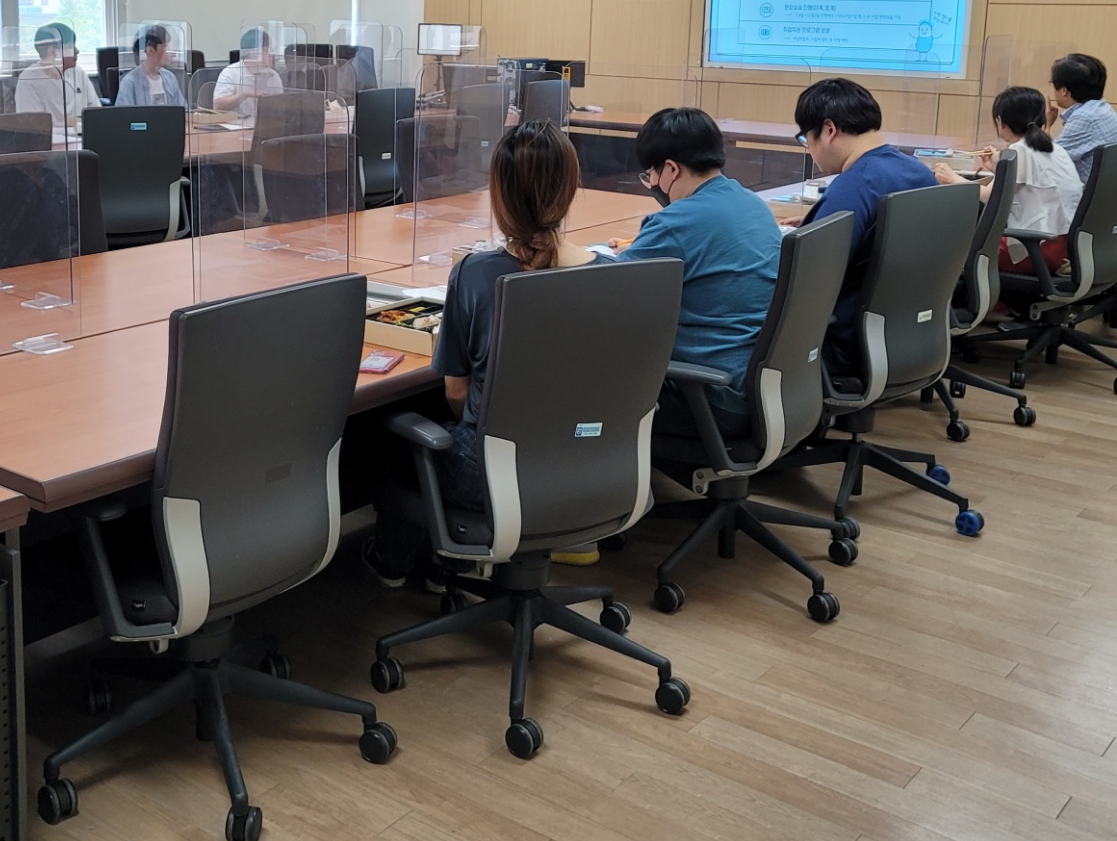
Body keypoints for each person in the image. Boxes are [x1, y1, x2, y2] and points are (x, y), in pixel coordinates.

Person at [363, 121, 596, 587]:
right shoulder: (612, 273)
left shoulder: (475, 273)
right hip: (588, 463)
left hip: (491, 472)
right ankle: (450, 566)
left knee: (393, 443)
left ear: (499, 196)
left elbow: (456, 391)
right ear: (571, 190)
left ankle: (399, 565)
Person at [616, 107, 781, 440]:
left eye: (650, 174)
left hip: (713, 400)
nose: (652, 184)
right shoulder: (751, 203)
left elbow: (603, 292)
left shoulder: (675, 223)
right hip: (766, 389)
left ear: (671, 169)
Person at [792, 77, 935, 375]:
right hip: (909, 335)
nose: (809, 149)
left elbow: (808, 277)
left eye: (807, 138)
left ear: (829, 130)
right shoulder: (917, 171)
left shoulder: (855, 186)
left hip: (843, 347)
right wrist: (817, 221)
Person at [935, 84, 1080, 274]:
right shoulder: (1052, 148)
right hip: (1061, 246)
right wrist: (999, 167)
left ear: (1000, 122)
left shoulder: (1019, 150)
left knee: (954, 255)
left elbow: (990, 197)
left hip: (1036, 250)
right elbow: (1030, 182)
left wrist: (952, 178)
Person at [14, 22, 101, 130]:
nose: (77, 51)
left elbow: (97, 114)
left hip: (84, 138)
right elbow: (33, 127)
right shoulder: (28, 80)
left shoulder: (79, 73)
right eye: (70, 47)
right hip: (51, 140)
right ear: (53, 52)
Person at [1047, 53, 1117, 186]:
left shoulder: (1084, 118)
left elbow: (1045, 162)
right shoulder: (1102, 108)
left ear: (1064, 90)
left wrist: (1046, 125)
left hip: (1081, 196)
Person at [212, 28, 283, 121]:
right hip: (235, 126)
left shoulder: (273, 75)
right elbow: (217, 106)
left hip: (266, 125)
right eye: (266, 50)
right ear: (253, 54)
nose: (271, 55)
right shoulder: (230, 72)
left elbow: (281, 106)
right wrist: (245, 94)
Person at [115, 23, 182, 107]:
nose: (173, 53)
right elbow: (123, 114)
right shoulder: (130, 82)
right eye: (165, 46)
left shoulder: (170, 78)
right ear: (150, 50)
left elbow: (183, 110)